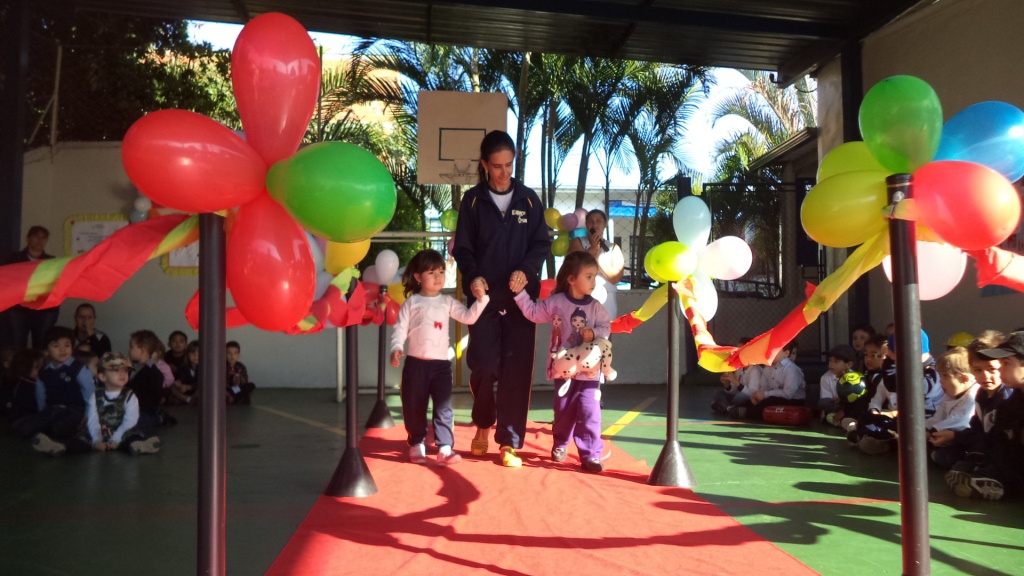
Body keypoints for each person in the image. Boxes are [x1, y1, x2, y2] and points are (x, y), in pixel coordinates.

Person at [451, 130, 551, 466]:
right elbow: (463, 249)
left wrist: (527, 270)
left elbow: (541, 244)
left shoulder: (529, 200)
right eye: (497, 166)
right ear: (484, 165)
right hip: (484, 300)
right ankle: (483, 424)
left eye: (509, 165)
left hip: (521, 301)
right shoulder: (473, 202)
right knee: (483, 364)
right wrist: (474, 276)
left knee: (516, 369)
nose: (504, 172)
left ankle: (509, 442)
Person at [390, 249, 489, 466]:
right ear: (418, 277)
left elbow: (468, 317)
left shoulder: (447, 301)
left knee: (443, 408)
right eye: (431, 272)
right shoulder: (412, 303)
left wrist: (482, 300)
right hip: (415, 366)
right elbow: (400, 328)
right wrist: (396, 347)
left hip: (441, 367)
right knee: (414, 406)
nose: (438, 277)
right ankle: (417, 443)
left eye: (441, 272)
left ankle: (445, 448)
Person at [514, 251, 611, 472]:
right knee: (564, 411)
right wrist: (520, 294)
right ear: (571, 279)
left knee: (590, 412)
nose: (593, 282)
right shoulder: (556, 302)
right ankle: (560, 442)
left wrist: (594, 333)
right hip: (564, 371)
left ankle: (591, 455)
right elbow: (533, 313)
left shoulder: (596, 307)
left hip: (589, 372)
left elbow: (606, 328)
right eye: (589, 276)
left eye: (595, 277)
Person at [946, 331, 1024, 500]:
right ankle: (986, 476)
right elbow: (999, 441)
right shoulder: (1013, 403)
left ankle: (996, 481)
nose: (999, 369)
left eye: (1006, 363)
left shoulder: (1006, 397)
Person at [23, 327, 95, 455]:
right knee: (27, 429)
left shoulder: (79, 369)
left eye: (67, 345)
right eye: (56, 346)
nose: (63, 350)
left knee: (59, 428)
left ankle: (57, 441)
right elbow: (40, 394)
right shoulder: (44, 371)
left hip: (75, 410)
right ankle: (47, 438)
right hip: (52, 409)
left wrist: (89, 414)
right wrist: (42, 413)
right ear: (46, 351)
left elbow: (90, 394)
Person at [84, 352, 161, 455]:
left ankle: (140, 445)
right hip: (102, 431)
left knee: (131, 437)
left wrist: (116, 438)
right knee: (83, 438)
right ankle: (65, 446)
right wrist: (96, 439)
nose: (122, 374)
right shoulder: (96, 395)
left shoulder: (130, 395)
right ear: (102, 376)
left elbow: (130, 421)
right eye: (116, 370)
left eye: (125, 370)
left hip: (123, 431)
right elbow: (93, 419)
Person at [0, 226, 60, 352]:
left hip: (43, 308)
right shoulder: (14, 259)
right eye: (36, 237)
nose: (39, 240)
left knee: (42, 345)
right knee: (17, 345)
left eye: (43, 238)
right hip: (18, 308)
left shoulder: (51, 261)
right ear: (29, 238)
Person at [567, 209, 624, 319]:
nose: (594, 225)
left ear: (605, 224)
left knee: (605, 328)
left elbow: (616, 277)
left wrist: (597, 259)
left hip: (606, 299)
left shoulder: (613, 248)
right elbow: (574, 267)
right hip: (581, 297)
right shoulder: (577, 242)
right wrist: (593, 249)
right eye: (590, 221)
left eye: (598, 221)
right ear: (586, 225)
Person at [731, 341, 804, 420]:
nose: (770, 352)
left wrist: (765, 394)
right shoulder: (768, 368)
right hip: (771, 396)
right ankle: (741, 410)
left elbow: (788, 394)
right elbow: (764, 388)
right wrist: (758, 397)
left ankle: (746, 412)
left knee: (771, 400)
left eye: (775, 350)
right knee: (752, 401)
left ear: (786, 353)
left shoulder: (791, 369)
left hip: (793, 400)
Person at [128, 329, 169, 429]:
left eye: (132, 347)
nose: (129, 351)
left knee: (133, 423)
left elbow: (153, 401)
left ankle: (159, 418)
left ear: (143, 350)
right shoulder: (130, 368)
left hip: (144, 411)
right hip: (130, 408)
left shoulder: (154, 374)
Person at [710, 337, 762, 415]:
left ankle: (724, 406)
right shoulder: (739, 368)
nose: (738, 353)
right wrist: (727, 385)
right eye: (737, 350)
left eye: (741, 350)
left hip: (748, 399)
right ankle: (730, 408)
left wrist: (735, 381)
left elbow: (752, 393)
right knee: (718, 392)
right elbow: (734, 390)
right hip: (735, 397)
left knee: (740, 397)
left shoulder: (755, 370)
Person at [818, 344, 856, 425]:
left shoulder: (856, 378)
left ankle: (845, 417)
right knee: (823, 402)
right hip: (836, 406)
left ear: (849, 364)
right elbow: (826, 400)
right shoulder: (825, 378)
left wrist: (843, 398)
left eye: (836, 361)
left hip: (850, 406)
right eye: (830, 360)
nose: (831, 364)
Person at [170, 340, 200, 406]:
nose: (195, 355)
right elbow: (181, 376)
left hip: (196, 389)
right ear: (188, 355)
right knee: (172, 387)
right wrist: (179, 382)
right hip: (186, 391)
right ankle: (187, 399)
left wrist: (189, 387)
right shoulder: (184, 367)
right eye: (192, 353)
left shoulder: (205, 368)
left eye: (199, 353)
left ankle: (193, 400)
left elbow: (203, 382)